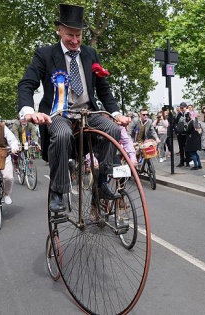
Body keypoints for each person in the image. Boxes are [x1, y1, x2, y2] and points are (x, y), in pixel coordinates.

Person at [17, 4, 130, 212]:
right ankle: (58, 192)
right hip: (59, 113)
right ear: (59, 30)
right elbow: (27, 84)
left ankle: (101, 182)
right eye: (70, 35)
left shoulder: (90, 53)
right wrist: (28, 111)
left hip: (88, 111)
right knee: (61, 134)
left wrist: (116, 114)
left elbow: (103, 89)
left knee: (114, 129)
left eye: (79, 35)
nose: (75, 41)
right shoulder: (45, 54)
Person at [174, 102, 192, 167]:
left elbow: (191, 122)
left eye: (183, 108)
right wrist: (177, 131)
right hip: (180, 133)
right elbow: (175, 123)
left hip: (186, 133)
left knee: (187, 148)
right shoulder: (179, 114)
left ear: (186, 107)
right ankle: (181, 161)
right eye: (181, 108)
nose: (182, 109)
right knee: (181, 148)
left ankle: (188, 161)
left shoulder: (188, 113)